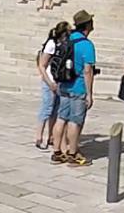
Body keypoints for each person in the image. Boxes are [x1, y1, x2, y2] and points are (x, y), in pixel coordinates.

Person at [50, 9, 96, 167]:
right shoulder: (86, 45)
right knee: (75, 121)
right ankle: (72, 154)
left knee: (61, 118)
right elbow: (88, 70)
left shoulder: (67, 39)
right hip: (78, 86)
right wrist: (90, 94)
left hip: (64, 84)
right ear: (88, 25)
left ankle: (57, 152)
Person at [35, 20, 70, 150]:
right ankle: (39, 137)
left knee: (56, 110)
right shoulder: (51, 44)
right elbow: (42, 65)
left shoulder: (64, 44)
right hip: (49, 81)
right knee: (47, 109)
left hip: (59, 81)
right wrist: (49, 82)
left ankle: (51, 136)